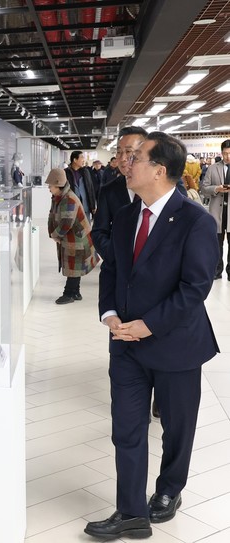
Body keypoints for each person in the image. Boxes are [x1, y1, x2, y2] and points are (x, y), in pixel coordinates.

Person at [84, 132, 219, 540]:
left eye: (137, 158)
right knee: (126, 428)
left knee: (176, 427)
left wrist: (150, 324)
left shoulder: (196, 221)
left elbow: (195, 288)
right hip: (126, 343)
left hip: (176, 343)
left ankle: (169, 490)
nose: (126, 163)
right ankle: (130, 512)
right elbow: (112, 268)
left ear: (159, 170)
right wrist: (109, 312)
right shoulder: (127, 217)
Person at [91, 127, 148, 261]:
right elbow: (99, 232)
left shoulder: (159, 185)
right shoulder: (109, 190)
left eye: (128, 151)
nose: (122, 158)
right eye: (118, 152)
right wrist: (115, 257)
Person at [46, 168, 98, 304]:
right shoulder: (59, 197)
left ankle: (69, 293)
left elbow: (66, 223)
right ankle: (75, 292)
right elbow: (53, 215)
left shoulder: (69, 199)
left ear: (58, 184)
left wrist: (55, 235)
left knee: (74, 266)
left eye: (50, 185)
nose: (49, 188)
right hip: (73, 239)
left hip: (77, 239)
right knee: (74, 266)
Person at [199, 139, 230, 280]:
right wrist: (216, 188)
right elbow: (203, 188)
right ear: (221, 153)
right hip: (217, 211)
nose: (228, 156)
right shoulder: (212, 168)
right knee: (217, 243)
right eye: (225, 153)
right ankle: (217, 271)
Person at [64, 150, 97, 222]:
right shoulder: (65, 173)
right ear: (75, 160)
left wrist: (93, 205)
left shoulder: (85, 172)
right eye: (82, 157)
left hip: (85, 208)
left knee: (86, 227)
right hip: (72, 208)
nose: (84, 160)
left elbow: (90, 188)